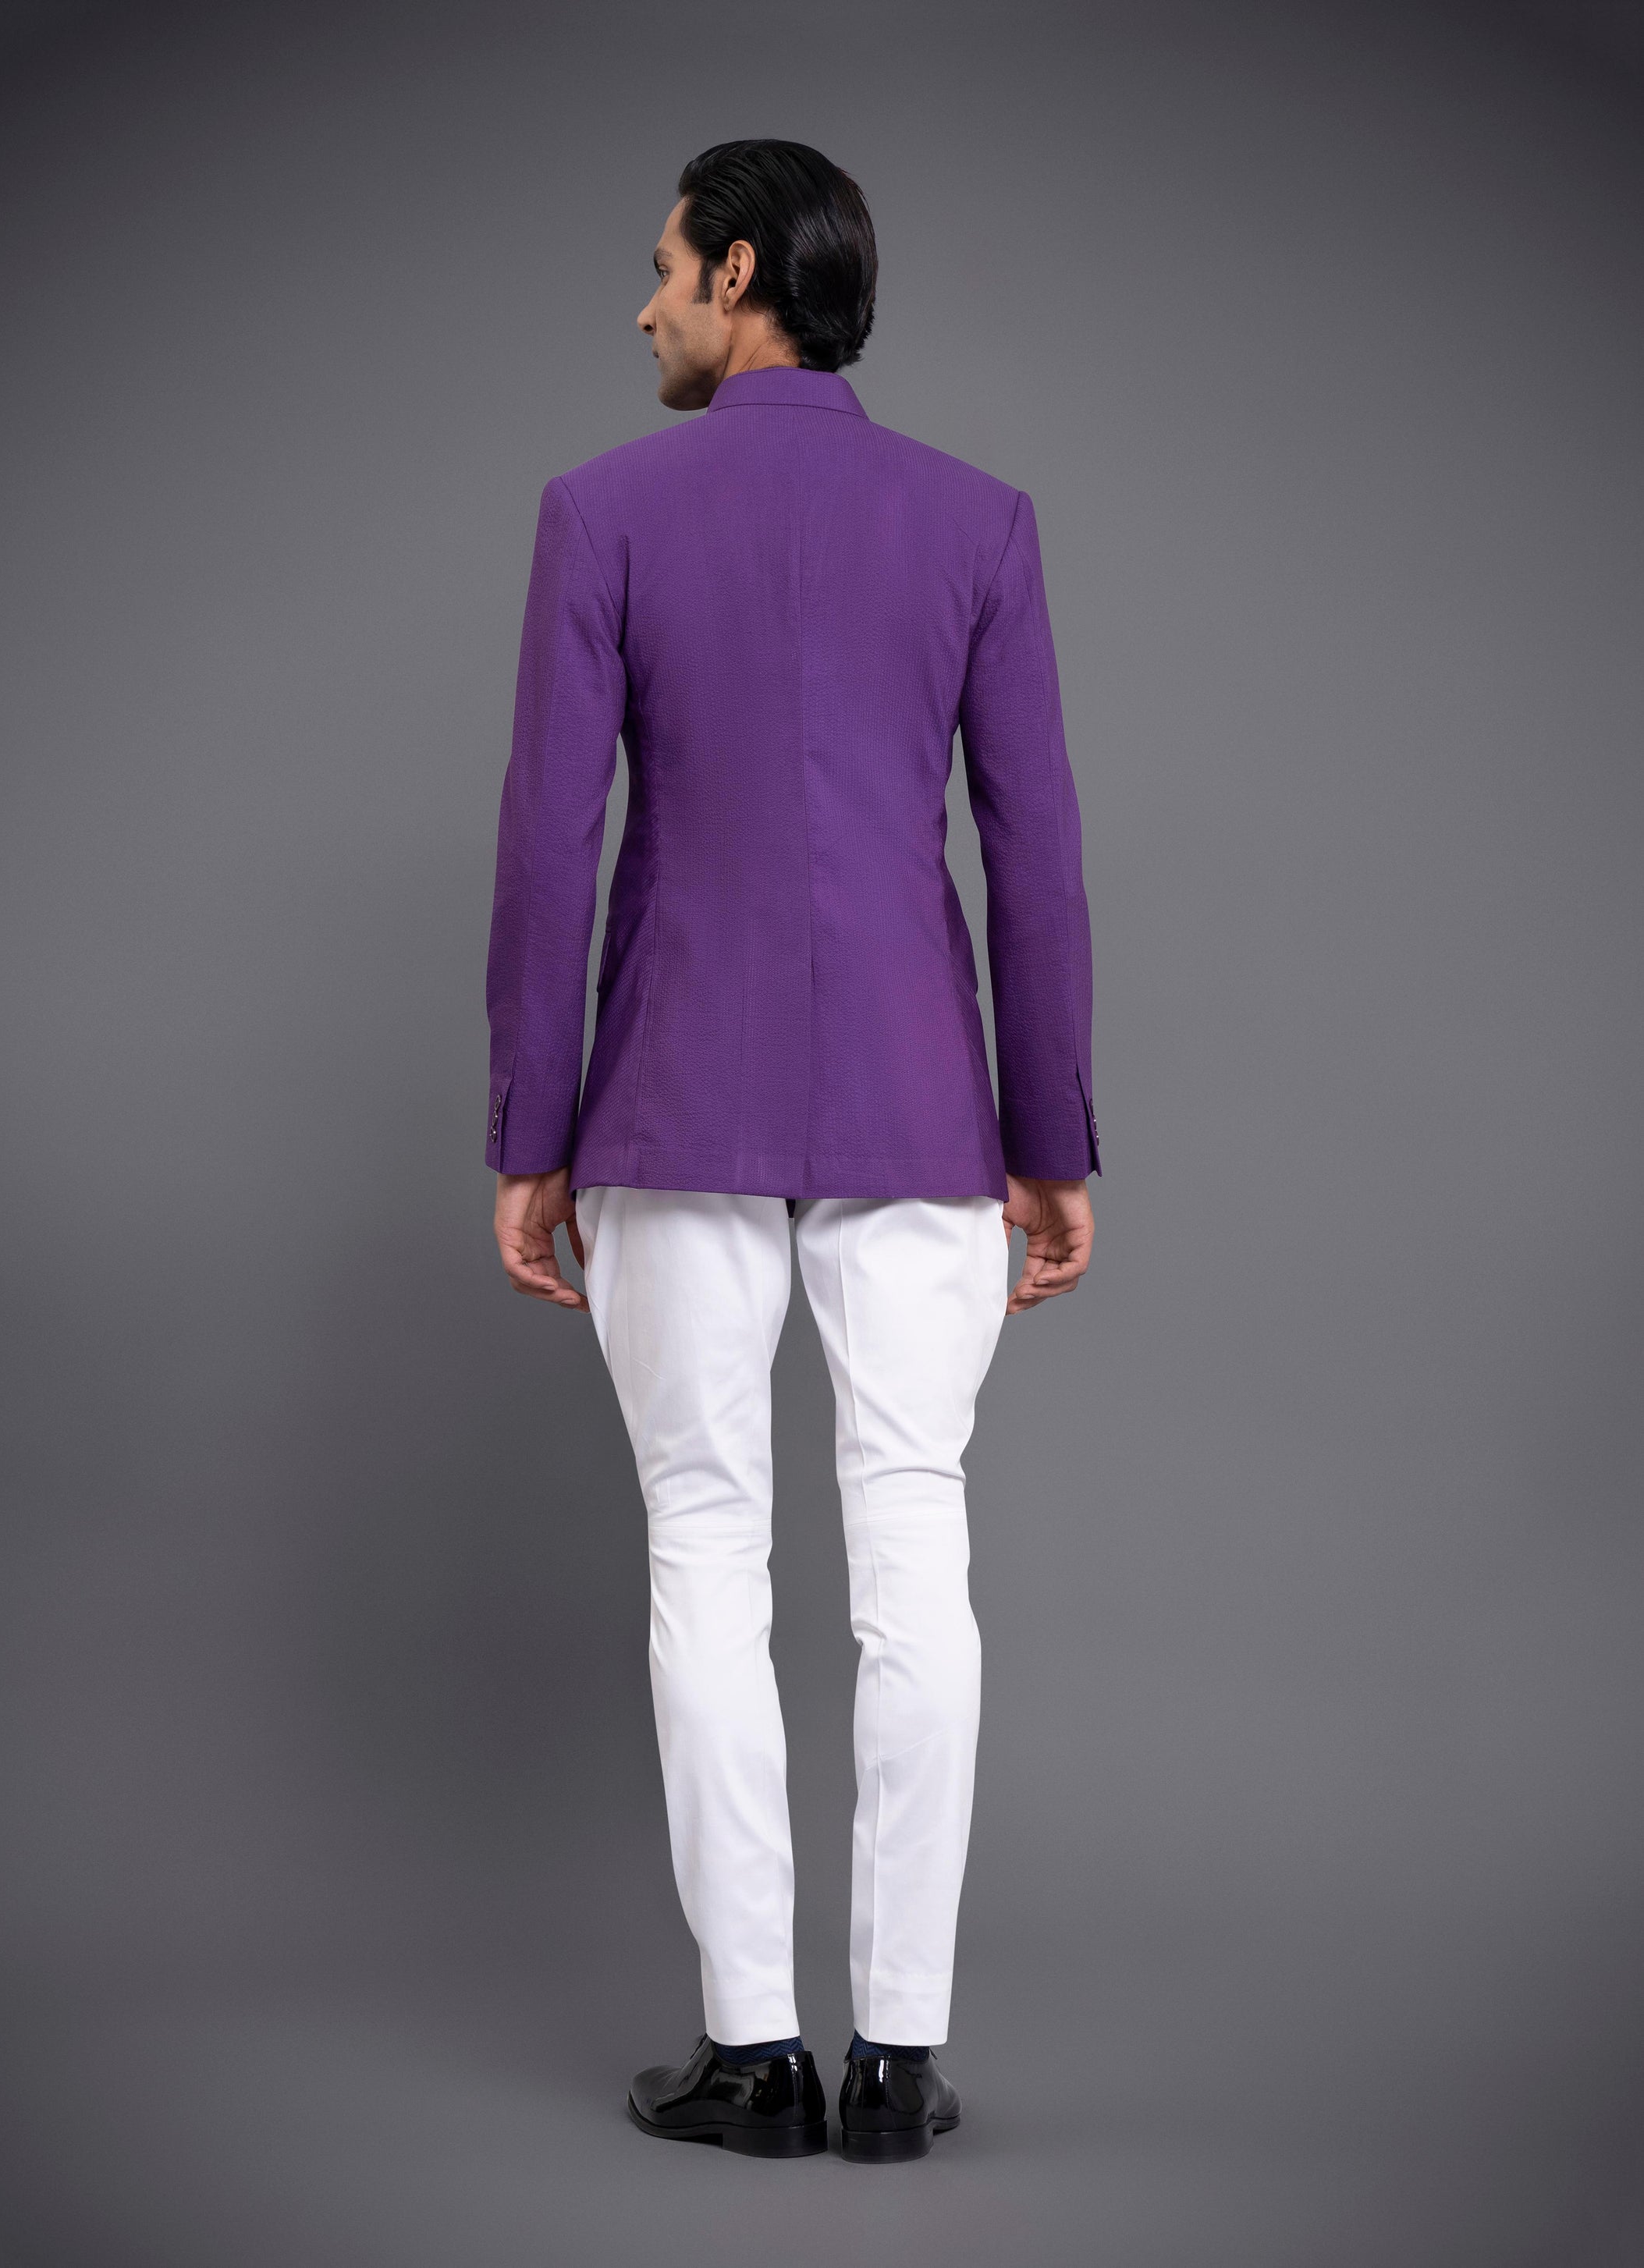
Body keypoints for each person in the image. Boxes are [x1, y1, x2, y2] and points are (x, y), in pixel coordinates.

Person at [484, 139, 1099, 2162]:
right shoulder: (977, 520)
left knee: (703, 1544)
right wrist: (1047, 1131)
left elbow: (547, 844)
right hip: (921, 1108)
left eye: (663, 268)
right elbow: (1033, 855)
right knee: (915, 1544)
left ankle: (750, 2053)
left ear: (738, 273)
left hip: (672, 1097)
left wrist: (531, 1127)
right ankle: (897, 2063)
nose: (645, 304)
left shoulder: (604, 511)